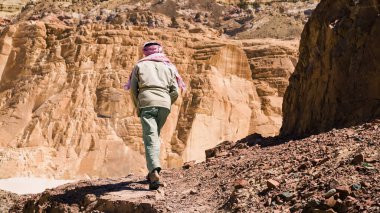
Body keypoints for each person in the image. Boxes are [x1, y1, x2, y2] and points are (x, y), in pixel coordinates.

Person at [125, 41, 185, 190]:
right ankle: (152, 170)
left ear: (145, 52)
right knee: (155, 136)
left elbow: (133, 90)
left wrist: (138, 105)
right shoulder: (168, 66)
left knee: (150, 137)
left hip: (147, 102)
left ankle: (154, 172)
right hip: (164, 104)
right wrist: (166, 101)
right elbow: (176, 91)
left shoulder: (140, 66)